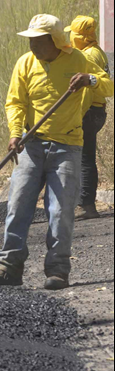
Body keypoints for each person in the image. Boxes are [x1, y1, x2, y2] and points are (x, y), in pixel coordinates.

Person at [0, 14, 112, 290]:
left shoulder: (78, 59)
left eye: (38, 41)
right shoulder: (25, 63)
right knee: (18, 204)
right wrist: (15, 132)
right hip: (31, 143)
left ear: (55, 41)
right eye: (30, 40)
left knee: (60, 211)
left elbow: (109, 86)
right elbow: (15, 102)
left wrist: (89, 80)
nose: (32, 46)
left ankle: (57, 270)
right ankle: (9, 266)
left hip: (67, 146)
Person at [66, 16, 110, 221]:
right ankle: (83, 202)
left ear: (80, 37)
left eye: (72, 34)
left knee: (84, 159)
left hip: (89, 112)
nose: (69, 37)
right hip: (96, 112)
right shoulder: (96, 51)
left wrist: (77, 115)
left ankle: (86, 205)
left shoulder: (88, 57)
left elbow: (88, 92)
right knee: (85, 156)